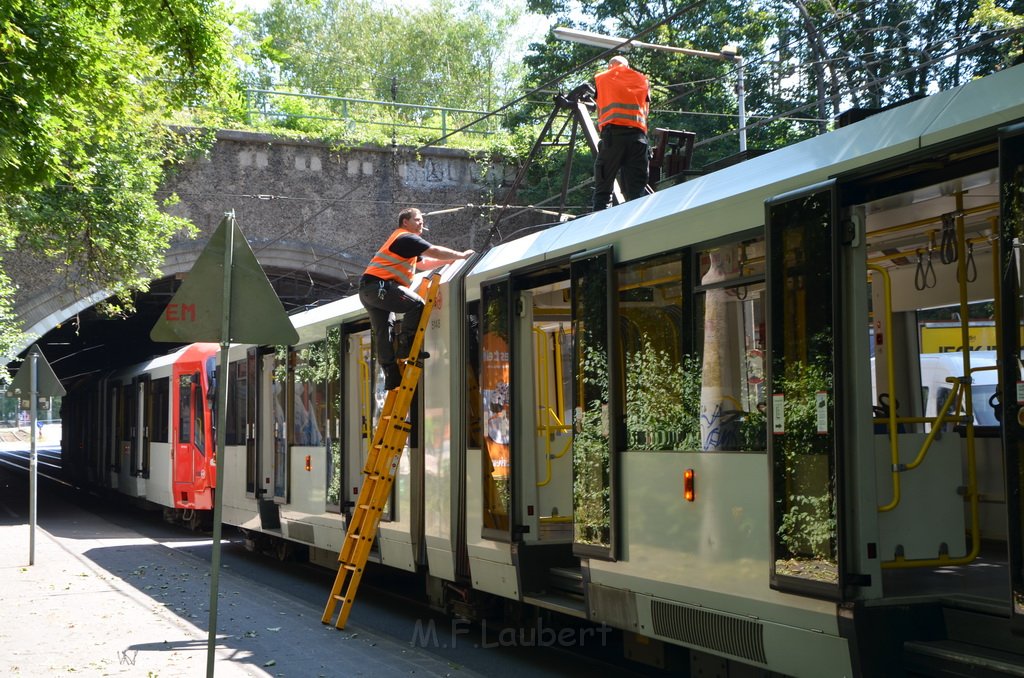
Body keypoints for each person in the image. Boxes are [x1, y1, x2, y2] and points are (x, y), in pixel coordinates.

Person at [359, 208, 474, 390]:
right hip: (380, 286)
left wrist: (449, 261)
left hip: (368, 290)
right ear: (406, 221)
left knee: (384, 330)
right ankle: (406, 345)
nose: (422, 223)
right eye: (418, 220)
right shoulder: (405, 238)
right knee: (417, 304)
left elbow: (425, 263)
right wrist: (461, 255)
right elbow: (433, 251)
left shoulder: (404, 244)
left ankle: (391, 376)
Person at [592, 55, 651, 211]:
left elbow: (599, 106)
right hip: (638, 139)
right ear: (627, 66)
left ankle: (600, 225)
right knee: (637, 191)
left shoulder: (601, 78)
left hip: (612, 139)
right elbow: (646, 110)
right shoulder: (643, 80)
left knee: (603, 188)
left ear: (611, 66)